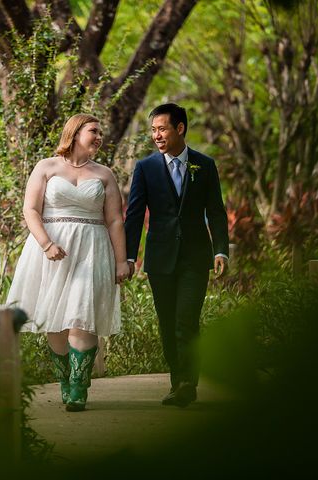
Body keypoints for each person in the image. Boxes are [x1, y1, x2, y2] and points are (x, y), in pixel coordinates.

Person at [6, 113, 129, 412]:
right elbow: (30, 209)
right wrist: (46, 243)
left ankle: (78, 386)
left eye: (101, 132)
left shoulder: (104, 174)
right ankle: (64, 379)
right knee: (56, 321)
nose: (99, 137)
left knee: (80, 316)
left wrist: (121, 260)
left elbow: (114, 220)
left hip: (91, 250)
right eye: (94, 131)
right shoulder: (46, 167)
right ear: (75, 133)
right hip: (51, 249)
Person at [124, 103, 229, 407]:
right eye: (153, 130)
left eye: (162, 129)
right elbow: (133, 216)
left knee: (187, 319)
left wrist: (221, 249)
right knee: (167, 322)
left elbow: (216, 211)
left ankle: (187, 383)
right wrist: (129, 258)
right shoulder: (145, 168)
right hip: (160, 258)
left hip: (196, 257)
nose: (156, 135)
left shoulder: (205, 165)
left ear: (179, 128)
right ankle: (176, 379)